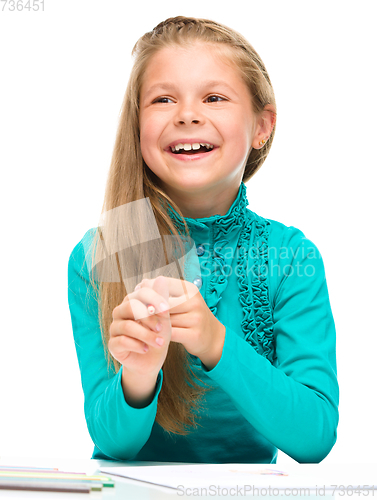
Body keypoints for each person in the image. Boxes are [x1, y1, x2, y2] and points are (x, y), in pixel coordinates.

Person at [68, 16, 339, 464]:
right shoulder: (97, 256)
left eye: (213, 97)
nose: (187, 114)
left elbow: (314, 438)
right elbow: (113, 441)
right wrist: (138, 373)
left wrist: (217, 343)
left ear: (261, 127)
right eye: (163, 99)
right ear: (137, 128)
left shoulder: (292, 257)